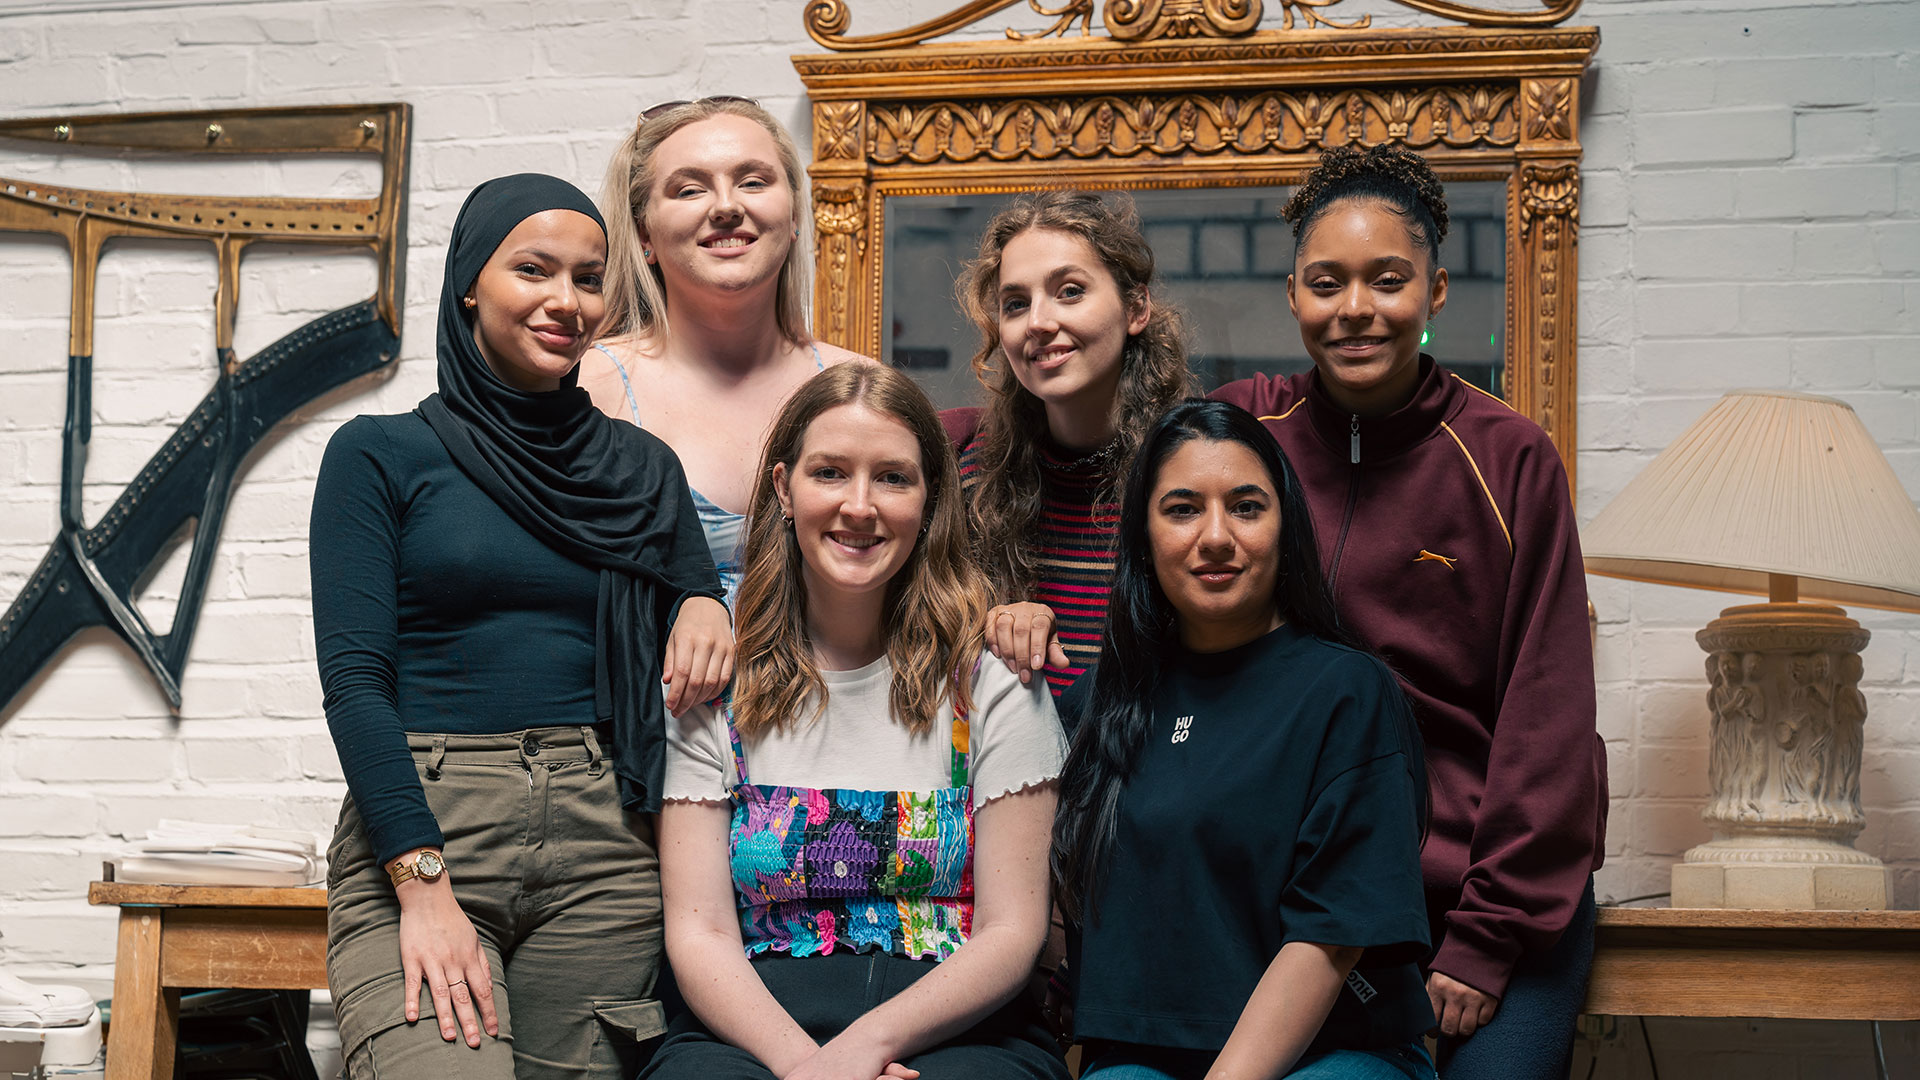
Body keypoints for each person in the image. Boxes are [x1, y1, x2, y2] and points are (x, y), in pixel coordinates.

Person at [311, 174, 733, 1079]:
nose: (565, 301)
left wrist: (703, 602)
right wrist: (420, 885)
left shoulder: (638, 467)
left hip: (604, 844)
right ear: (471, 282)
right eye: (533, 270)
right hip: (427, 825)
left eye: (588, 278)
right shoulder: (379, 455)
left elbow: (694, 588)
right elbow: (353, 683)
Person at [1212, 144, 1606, 1079]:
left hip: (1473, 895)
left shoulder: (1509, 457)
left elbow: (1547, 719)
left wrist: (1488, 935)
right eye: (1326, 282)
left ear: (1434, 290)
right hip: (1302, 899)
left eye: (1388, 280)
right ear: (1293, 295)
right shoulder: (1244, 435)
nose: (1356, 308)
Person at [645, 363, 1070, 1080]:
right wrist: (807, 1068)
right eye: (831, 473)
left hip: (958, 1033)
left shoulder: (991, 682)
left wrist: (863, 1053)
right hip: (753, 1033)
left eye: (894, 478)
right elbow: (700, 932)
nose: (860, 506)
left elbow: (1012, 931)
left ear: (930, 497)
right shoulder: (713, 684)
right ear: (784, 489)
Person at [1052, 399, 1434, 1080]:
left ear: (1285, 527)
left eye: (1247, 507)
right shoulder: (1098, 703)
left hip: (1335, 1051)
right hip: (1142, 1061)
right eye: (1182, 508)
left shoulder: (1347, 692)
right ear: (1143, 532)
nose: (1217, 536)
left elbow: (1331, 937)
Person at [582, 97, 866, 608]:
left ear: (796, 213)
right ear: (644, 232)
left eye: (754, 182)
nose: (727, 206)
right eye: (690, 189)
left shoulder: (859, 386)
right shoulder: (588, 387)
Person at [945, 190, 1195, 696]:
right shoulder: (969, 472)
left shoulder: (1191, 471)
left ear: (1136, 308)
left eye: (1070, 291)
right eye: (1015, 303)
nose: (1037, 321)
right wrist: (994, 628)